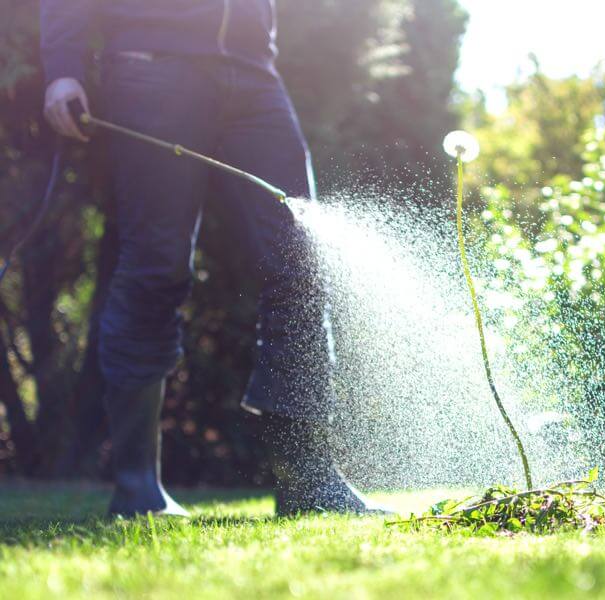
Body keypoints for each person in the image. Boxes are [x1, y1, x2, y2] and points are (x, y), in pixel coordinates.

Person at [40, 0, 386, 516]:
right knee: (156, 266)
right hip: (151, 64)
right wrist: (63, 68)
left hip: (254, 74)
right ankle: (138, 487)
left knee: (302, 257)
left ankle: (307, 480)